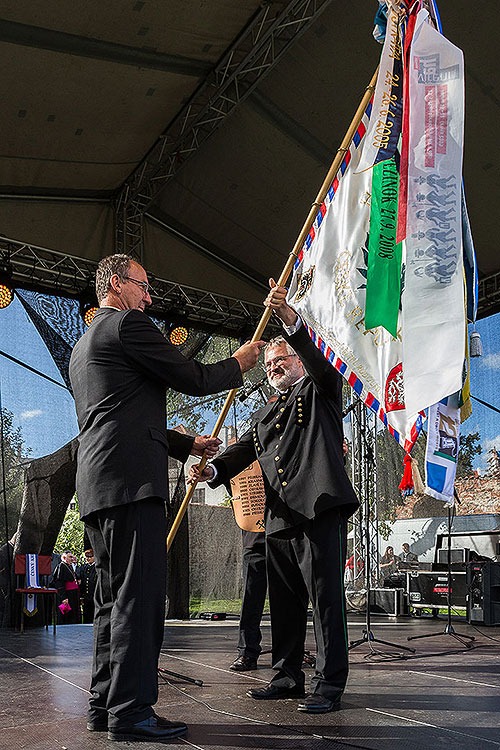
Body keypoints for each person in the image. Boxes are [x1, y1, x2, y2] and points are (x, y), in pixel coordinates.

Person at [68, 253, 264, 742]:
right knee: (139, 600)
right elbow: (192, 377)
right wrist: (238, 363)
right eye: (143, 285)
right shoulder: (129, 325)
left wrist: (185, 444)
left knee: (111, 602)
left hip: (98, 485)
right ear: (117, 284)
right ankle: (132, 712)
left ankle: (104, 703)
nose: (149, 297)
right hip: (133, 483)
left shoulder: (84, 346)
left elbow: (121, 414)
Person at [190, 279, 359, 714]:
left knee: (324, 600)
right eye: (267, 364)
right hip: (280, 515)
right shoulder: (265, 411)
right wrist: (211, 469)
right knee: (284, 603)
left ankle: (329, 683)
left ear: (297, 360)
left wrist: (288, 317)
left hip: (320, 507)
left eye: (279, 358)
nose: (272, 367)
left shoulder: (321, 389)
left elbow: (323, 365)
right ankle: (286, 676)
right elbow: (242, 452)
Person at [230, 530, 267, 671]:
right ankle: (247, 652)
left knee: (287, 598)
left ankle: (290, 655)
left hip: (286, 534)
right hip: (254, 539)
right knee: (250, 598)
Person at [52, 551, 81, 624]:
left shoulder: (69, 566)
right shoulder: (61, 567)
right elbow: (59, 583)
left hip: (73, 594)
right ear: (64, 558)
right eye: (70, 557)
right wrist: (64, 597)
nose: (72, 558)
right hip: (67, 595)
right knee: (67, 617)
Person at [76, 548, 97, 624]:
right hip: (86, 596)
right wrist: (81, 595)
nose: (88, 559)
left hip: (94, 595)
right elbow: (81, 582)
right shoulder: (83, 567)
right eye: (87, 557)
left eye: (90, 557)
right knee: (86, 615)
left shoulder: (97, 568)